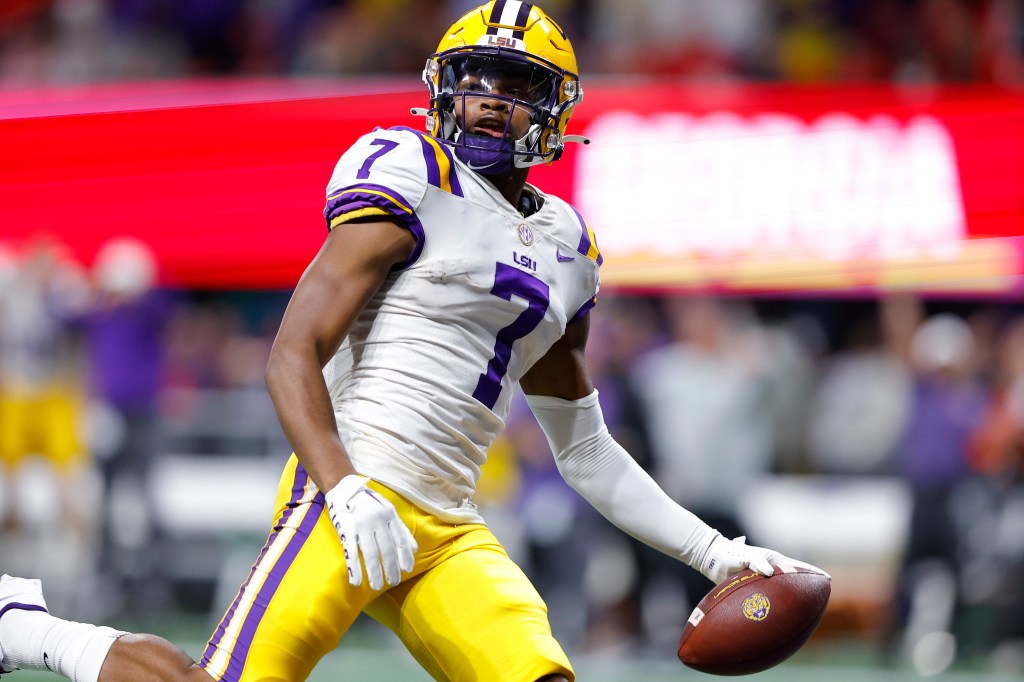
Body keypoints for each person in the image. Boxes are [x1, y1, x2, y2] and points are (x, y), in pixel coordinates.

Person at [0, 3, 825, 681]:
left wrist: (717, 554)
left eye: (515, 83)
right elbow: (291, 349)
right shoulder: (410, 173)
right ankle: (29, 628)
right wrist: (344, 489)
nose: (492, 99)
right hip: (348, 495)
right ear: (443, 90)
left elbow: (586, 451)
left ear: (555, 109)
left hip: (450, 525)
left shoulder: (570, 245)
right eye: (476, 80)